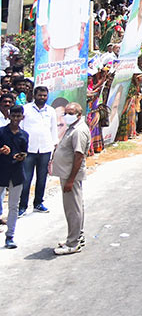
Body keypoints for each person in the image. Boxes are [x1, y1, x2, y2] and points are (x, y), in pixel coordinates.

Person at [51, 101, 88, 255]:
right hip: (67, 173)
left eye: (71, 113)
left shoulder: (79, 131)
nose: (67, 116)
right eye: (65, 113)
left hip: (70, 175)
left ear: (78, 115)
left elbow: (78, 156)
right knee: (75, 206)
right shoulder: (72, 128)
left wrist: (71, 179)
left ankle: (73, 243)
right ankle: (76, 236)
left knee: (73, 208)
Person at [19, 84, 54, 215]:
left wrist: (53, 146)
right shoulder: (26, 109)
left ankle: (38, 203)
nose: (42, 97)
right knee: (26, 179)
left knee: (42, 178)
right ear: (34, 96)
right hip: (29, 149)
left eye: (45, 95)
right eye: (40, 95)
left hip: (45, 149)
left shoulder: (50, 111)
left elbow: (53, 130)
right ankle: (22, 206)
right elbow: (21, 129)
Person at [0, 103, 28, 248]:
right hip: (2, 171)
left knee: (13, 206)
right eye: (13, 116)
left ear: (22, 117)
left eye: (18, 116)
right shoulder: (1, 132)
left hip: (17, 173)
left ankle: (10, 236)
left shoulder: (24, 135)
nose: (15, 119)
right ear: (9, 116)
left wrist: (21, 157)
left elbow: (25, 152)